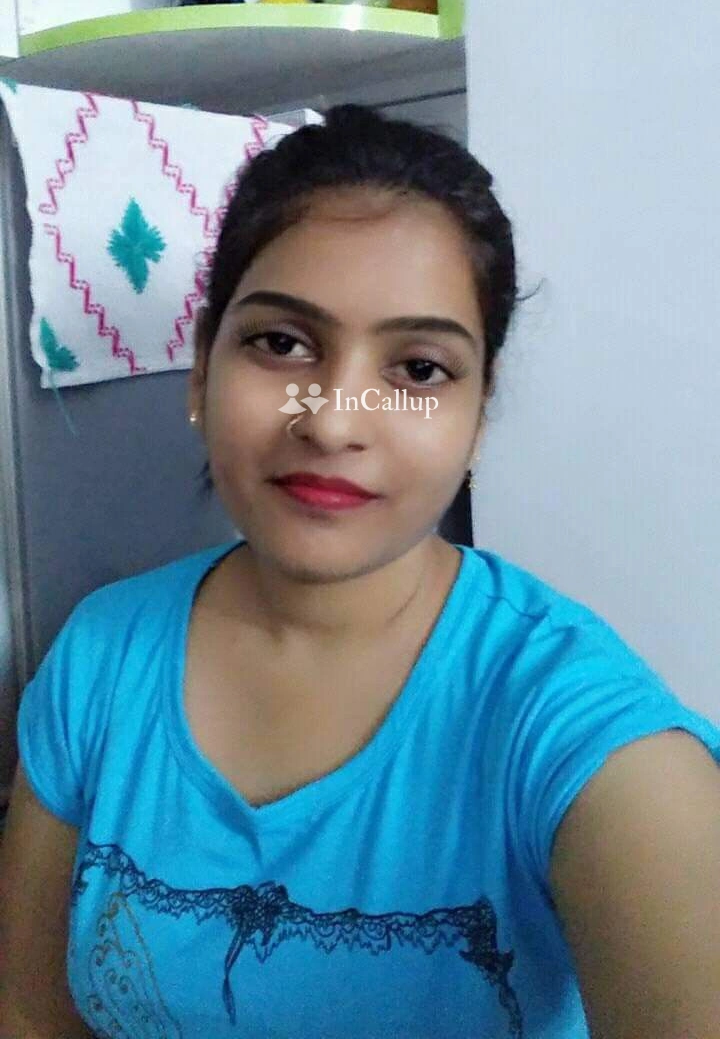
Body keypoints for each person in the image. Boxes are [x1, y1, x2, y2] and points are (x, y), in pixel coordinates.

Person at [1, 104, 719, 1038]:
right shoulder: (102, 656)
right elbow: (30, 1011)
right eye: (282, 344)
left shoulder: (576, 731)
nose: (333, 421)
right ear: (202, 370)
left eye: (418, 369)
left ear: (479, 415)